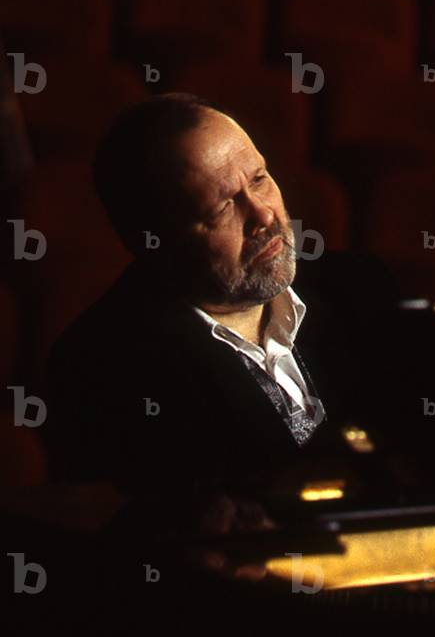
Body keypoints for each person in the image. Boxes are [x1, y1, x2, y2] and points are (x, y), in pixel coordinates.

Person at [41, 94, 401, 549]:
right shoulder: (99, 369)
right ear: (151, 241)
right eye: (221, 209)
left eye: (260, 179)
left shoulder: (363, 290)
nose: (265, 215)